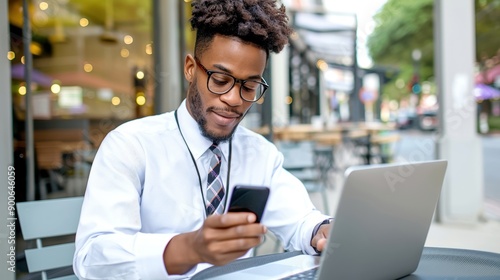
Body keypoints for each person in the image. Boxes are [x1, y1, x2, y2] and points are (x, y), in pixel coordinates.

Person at [73, 0, 332, 278]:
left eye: (250, 86)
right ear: (190, 68)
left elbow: (302, 221)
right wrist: (188, 249)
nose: (233, 99)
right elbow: (92, 259)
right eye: (220, 80)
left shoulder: (260, 153)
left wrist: (322, 231)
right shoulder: (131, 146)